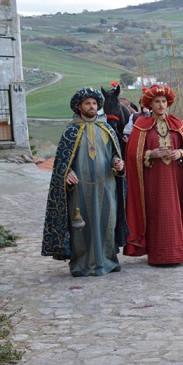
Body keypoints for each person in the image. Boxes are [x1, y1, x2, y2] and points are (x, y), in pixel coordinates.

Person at [41, 87, 127, 277]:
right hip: (80, 189)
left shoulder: (108, 129)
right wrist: (68, 173)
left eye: (94, 103)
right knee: (81, 226)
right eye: (87, 103)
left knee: (107, 223)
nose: (91, 106)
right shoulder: (70, 132)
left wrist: (118, 163)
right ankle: (81, 265)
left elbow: (114, 155)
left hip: (107, 186)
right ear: (79, 106)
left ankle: (109, 261)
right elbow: (62, 163)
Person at [124, 84, 183, 265]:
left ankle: (176, 253)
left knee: (174, 213)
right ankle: (158, 255)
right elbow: (131, 154)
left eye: (164, 102)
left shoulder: (176, 124)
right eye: (157, 102)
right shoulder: (140, 126)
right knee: (156, 215)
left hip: (175, 180)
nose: (161, 105)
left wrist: (180, 154)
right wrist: (151, 154)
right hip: (152, 181)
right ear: (150, 104)